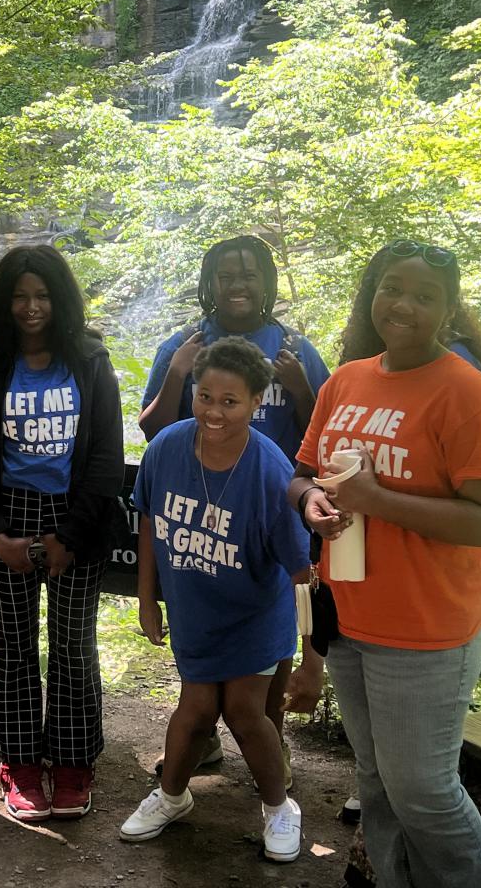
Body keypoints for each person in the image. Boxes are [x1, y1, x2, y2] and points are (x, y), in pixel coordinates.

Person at [289, 240, 481, 888]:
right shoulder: (347, 381)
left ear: (448, 309)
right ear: (373, 294)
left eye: (424, 296)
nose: (403, 305)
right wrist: (309, 501)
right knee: (377, 783)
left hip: (427, 629)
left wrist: (379, 500)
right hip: (350, 614)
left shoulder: (468, 395)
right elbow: (303, 473)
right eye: (392, 288)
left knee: (423, 791)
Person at [138, 236, 330, 781]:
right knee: (202, 627)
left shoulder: (294, 349)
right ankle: (201, 742)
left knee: (271, 635)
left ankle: (271, 743)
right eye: (226, 275)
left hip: (273, 511)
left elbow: (326, 434)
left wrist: (299, 389)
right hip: (201, 511)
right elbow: (153, 430)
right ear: (210, 283)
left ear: (267, 282)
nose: (238, 285)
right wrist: (178, 372)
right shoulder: (186, 344)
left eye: (249, 274)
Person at [121, 338, 310, 860]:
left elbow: (302, 571)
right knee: (197, 709)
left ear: (256, 402)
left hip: (256, 614)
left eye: (231, 401)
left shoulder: (270, 472)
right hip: (196, 611)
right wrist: (146, 598)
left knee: (245, 713)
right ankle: (172, 797)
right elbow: (149, 521)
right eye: (205, 396)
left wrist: (313, 659)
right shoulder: (168, 447)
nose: (214, 412)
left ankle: (279, 807)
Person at [0, 244, 125, 822]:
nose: (32, 308)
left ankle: (75, 761)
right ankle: (21, 761)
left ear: (62, 300)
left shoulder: (90, 361)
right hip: (8, 517)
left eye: (43, 296)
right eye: (20, 296)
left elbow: (107, 458)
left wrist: (70, 536)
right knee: (11, 645)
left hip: (77, 518)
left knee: (74, 645)